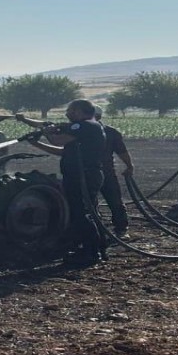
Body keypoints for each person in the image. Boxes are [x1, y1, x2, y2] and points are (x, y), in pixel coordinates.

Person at [16, 100, 108, 264]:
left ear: (79, 111)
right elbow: (62, 151)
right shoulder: (87, 127)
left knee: (81, 213)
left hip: (83, 176)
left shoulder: (85, 126)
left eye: (70, 110)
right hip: (82, 175)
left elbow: (58, 141)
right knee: (86, 212)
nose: (67, 113)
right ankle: (95, 248)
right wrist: (36, 143)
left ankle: (91, 253)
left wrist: (46, 133)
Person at [93, 106, 134, 238]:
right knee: (92, 202)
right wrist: (129, 166)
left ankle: (120, 228)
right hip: (95, 172)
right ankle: (97, 229)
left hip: (104, 172)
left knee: (114, 200)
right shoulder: (110, 132)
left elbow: (121, 151)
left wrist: (129, 166)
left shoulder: (110, 132)